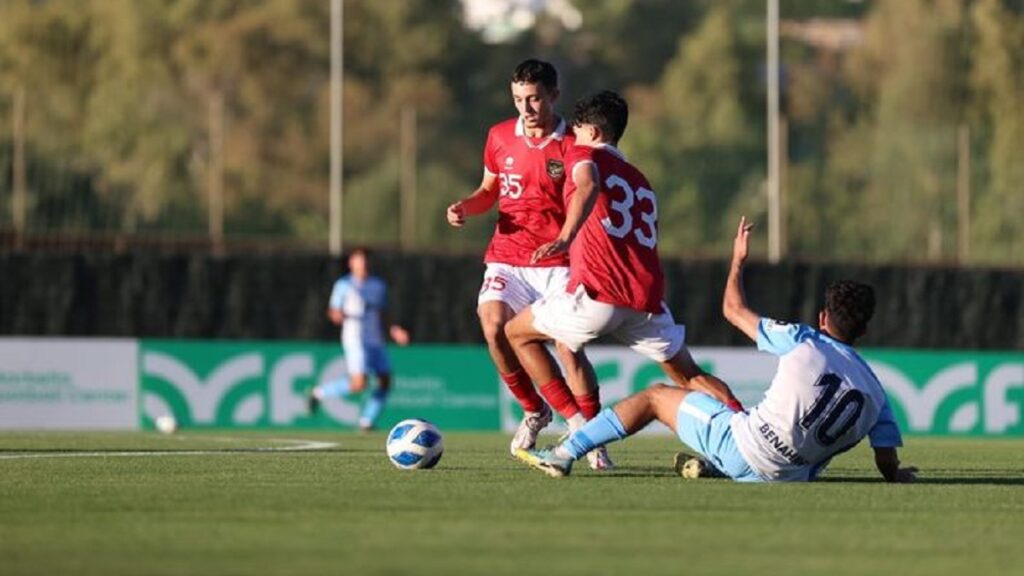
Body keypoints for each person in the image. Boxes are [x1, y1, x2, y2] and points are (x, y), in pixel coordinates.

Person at [517, 215, 917, 483]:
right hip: (788, 478)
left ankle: (566, 452)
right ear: (864, 328)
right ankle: (713, 466)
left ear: (822, 317)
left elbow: (732, 310)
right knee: (743, 420)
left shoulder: (804, 339)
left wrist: (738, 261)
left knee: (656, 397)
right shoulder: (878, 393)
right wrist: (899, 475)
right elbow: (886, 462)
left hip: (743, 448)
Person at [505, 90, 743, 472]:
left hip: (599, 294)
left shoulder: (585, 155)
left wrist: (565, 237)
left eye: (579, 131)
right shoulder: (639, 178)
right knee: (689, 375)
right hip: (646, 300)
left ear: (595, 132)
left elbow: (587, 185)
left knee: (516, 332)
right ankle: (748, 433)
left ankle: (581, 428)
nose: (574, 138)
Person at [447, 59, 610, 469]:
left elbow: (587, 189)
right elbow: (489, 190)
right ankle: (535, 410)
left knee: (568, 350)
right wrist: (466, 207)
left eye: (535, 98)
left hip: (558, 262)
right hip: (508, 257)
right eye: (519, 98)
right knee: (493, 326)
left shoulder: (573, 142)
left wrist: (568, 236)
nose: (527, 107)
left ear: (554, 95)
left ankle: (591, 433)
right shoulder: (499, 136)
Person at [308, 247, 410, 431]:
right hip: (355, 339)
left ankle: (367, 421)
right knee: (359, 383)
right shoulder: (344, 285)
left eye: (365, 260)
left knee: (385, 380)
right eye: (359, 260)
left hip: (376, 339)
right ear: (351, 263)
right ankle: (319, 393)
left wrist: (394, 330)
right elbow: (333, 312)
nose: (363, 264)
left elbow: (383, 313)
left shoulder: (378, 285)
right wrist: (338, 315)